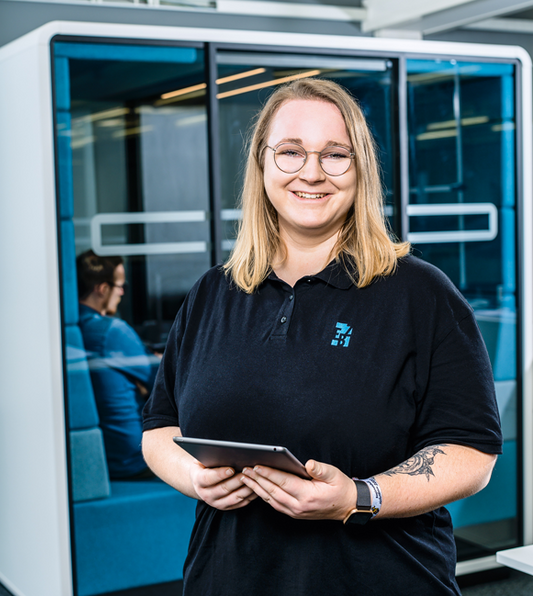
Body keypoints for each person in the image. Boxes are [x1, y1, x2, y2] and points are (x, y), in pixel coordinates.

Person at [141, 78, 502, 595]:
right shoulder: (212, 293)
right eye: (290, 152)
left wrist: (359, 496)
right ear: (262, 163)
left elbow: (471, 453)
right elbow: (159, 428)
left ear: (361, 170)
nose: (311, 172)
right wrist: (193, 477)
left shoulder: (420, 294)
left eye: (335, 154)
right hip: (226, 579)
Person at [77, 250, 159, 479]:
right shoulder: (111, 331)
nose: (122, 292)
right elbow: (165, 385)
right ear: (102, 289)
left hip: (105, 457)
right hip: (134, 460)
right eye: (120, 285)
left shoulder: (75, 330)